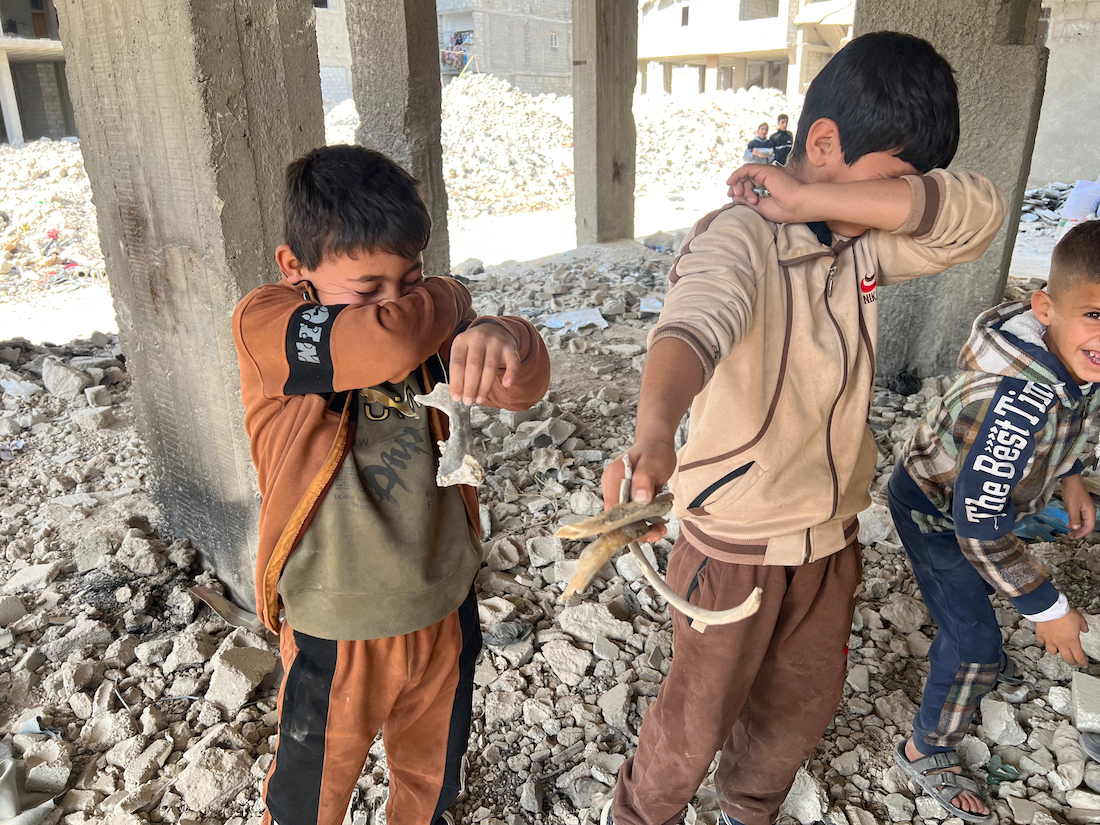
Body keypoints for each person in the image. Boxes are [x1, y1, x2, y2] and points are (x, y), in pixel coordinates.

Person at [598, 31, 1008, 825]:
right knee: (690, 729)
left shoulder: (854, 241)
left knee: (797, 712)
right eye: (889, 178)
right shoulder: (741, 234)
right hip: (731, 549)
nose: (890, 203)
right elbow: (691, 327)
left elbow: (977, 214)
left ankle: (749, 811)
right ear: (823, 143)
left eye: (900, 190)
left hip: (828, 541)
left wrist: (824, 201)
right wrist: (654, 434)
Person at [232, 145, 551, 825]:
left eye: (409, 279)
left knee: (430, 784)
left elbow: (526, 384)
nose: (396, 300)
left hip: (445, 609)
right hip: (336, 626)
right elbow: (386, 341)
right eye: (368, 288)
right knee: (307, 803)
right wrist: (454, 294)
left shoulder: (425, 320)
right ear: (296, 268)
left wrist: (500, 335)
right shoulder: (267, 323)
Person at [887, 219, 1100, 822]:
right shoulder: (1017, 402)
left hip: (981, 496)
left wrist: (1071, 476)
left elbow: (1071, 421)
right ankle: (926, 747)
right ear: (1046, 306)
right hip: (937, 513)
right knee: (977, 645)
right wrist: (1049, 610)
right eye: (1097, 316)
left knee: (993, 571)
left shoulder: (1070, 358)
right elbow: (976, 527)